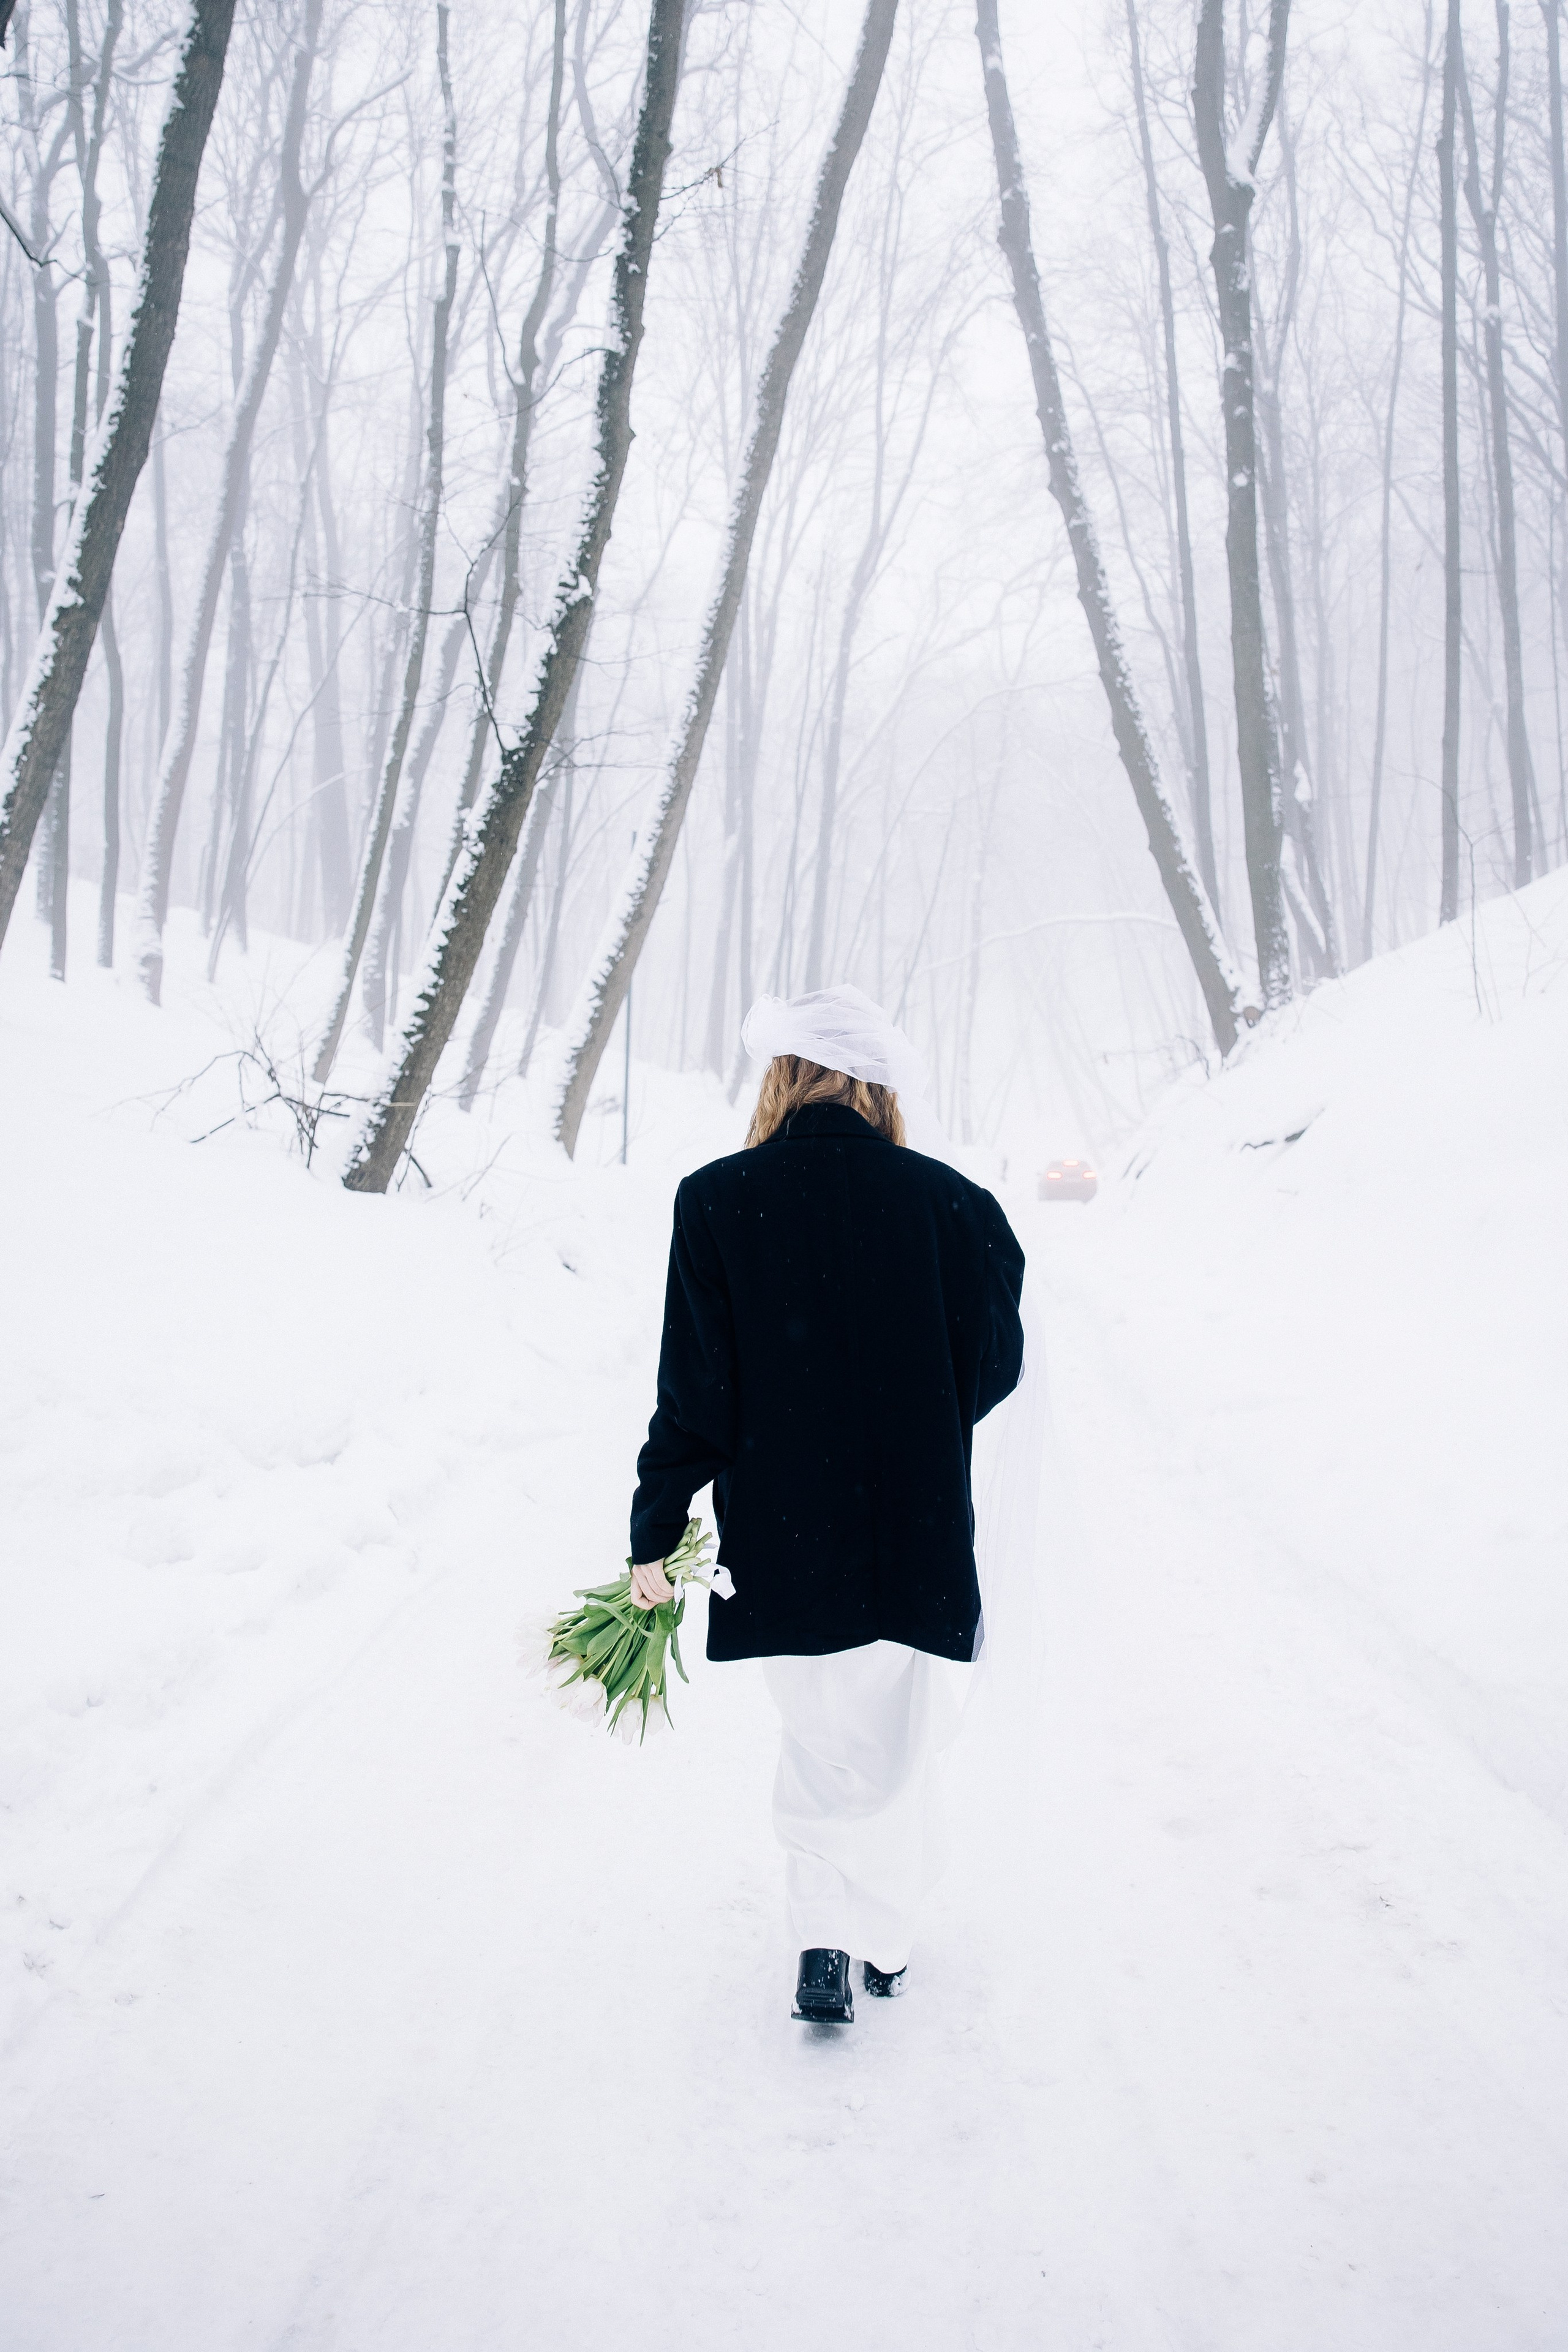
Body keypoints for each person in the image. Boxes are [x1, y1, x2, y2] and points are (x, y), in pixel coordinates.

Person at [627, 987, 1027, 2024]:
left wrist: (656, 1534)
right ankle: (883, 1942)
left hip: (785, 1537)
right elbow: (994, 1363)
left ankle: (821, 1943)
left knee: (819, 1743)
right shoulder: (956, 1206)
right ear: (876, 1087)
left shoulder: (715, 1201)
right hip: (918, 1532)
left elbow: (694, 1395)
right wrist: (920, 1415)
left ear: (783, 1077)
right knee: (900, 1745)